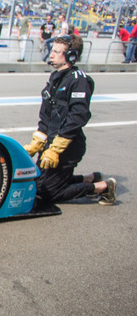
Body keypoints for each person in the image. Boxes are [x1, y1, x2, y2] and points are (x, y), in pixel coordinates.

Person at [22, 34, 116, 206]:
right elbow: (46, 114)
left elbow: (78, 116)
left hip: (68, 145)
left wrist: (56, 149)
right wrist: (37, 142)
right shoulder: (55, 78)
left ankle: (103, 186)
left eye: (57, 52)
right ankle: (88, 178)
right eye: (52, 50)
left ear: (71, 56)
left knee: (48, 193)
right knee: (37, 183)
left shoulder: (79, 80)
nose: (51, 54)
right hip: (50, 142)